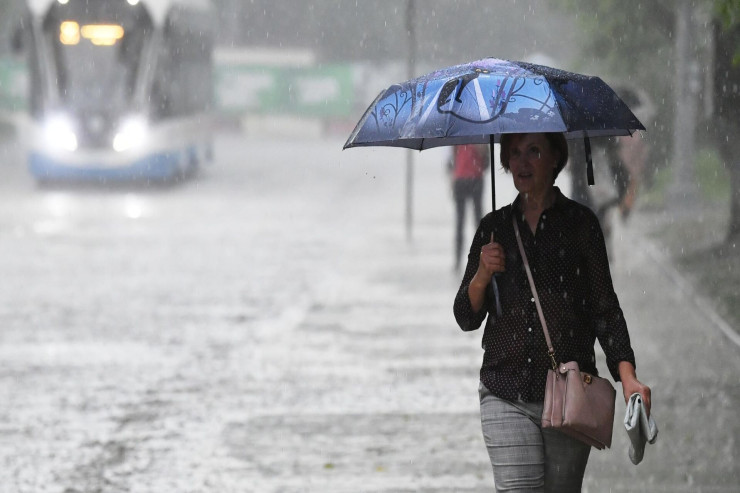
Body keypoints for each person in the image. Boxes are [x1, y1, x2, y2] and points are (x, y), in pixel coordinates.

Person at [453, 132, 651, 492]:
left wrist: (628, 376)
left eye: (533, 151)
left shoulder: (581, 225)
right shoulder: (493, 229)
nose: (522, 162)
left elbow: (604, 308)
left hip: (569, 393)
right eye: (514, 153)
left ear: (556, 157)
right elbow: (465, 316)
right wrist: (483, 274)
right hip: (504, 389)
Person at [447, 144, 490, 272]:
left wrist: (481, 150)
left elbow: (486, 161)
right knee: (460, 221)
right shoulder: (460, 133)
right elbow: (452, 159)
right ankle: (458, 260)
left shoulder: (479, 135)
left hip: (475, 178)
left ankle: (480, 258)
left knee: (478, 221)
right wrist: (452, 177)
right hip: (461, 179)